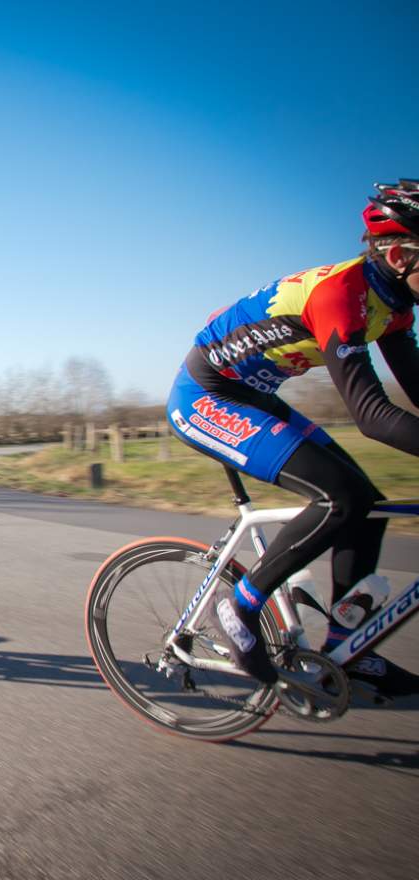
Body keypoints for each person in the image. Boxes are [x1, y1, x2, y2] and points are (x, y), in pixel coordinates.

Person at [166, 179, 419, 699]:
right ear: (398, 254)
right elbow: (371, 414)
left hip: (252, 396)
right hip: (205, 397)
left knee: (367, 504)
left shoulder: (395, 307)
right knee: (337, 497)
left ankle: (352, 650)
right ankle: (238, 607)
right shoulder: (340, 296)